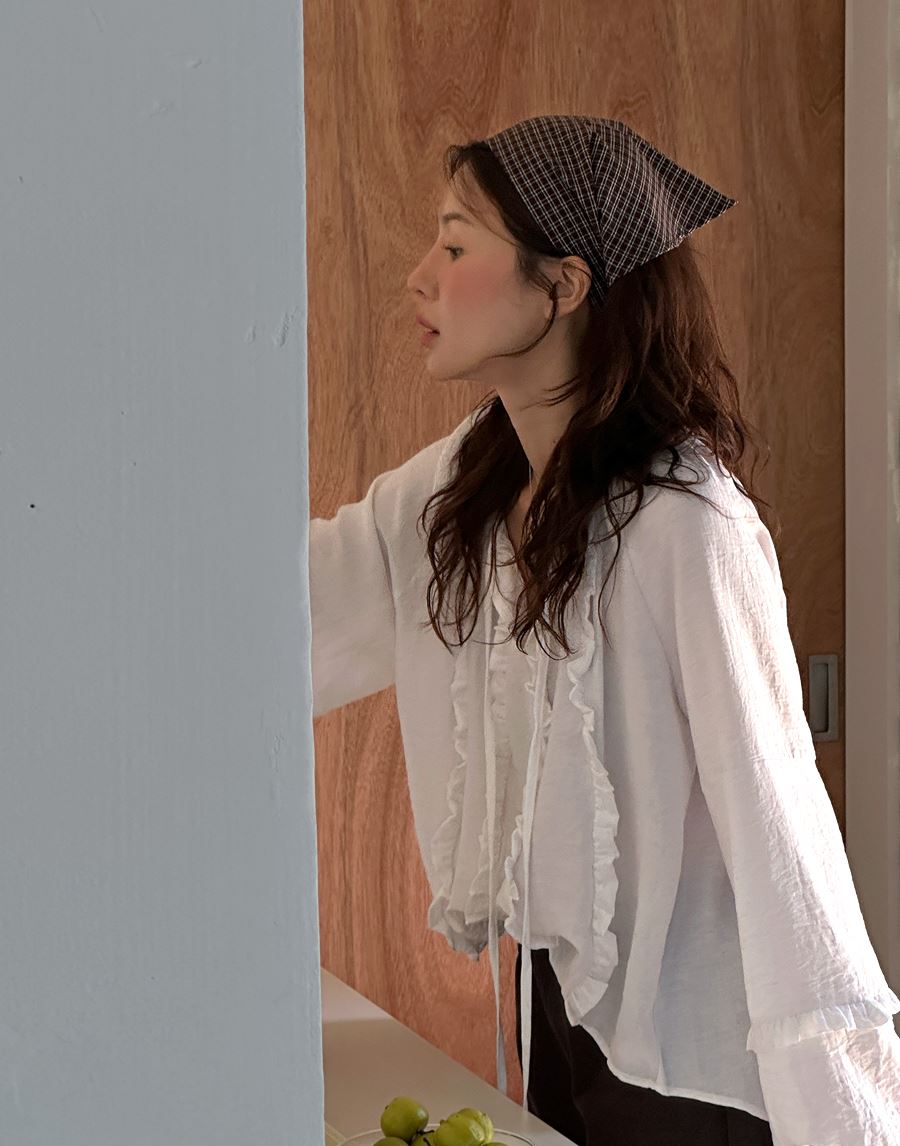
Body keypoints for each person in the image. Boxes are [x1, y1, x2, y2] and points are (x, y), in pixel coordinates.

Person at [310, 115, 900, 1145]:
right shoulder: (472, 481)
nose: (420, 277)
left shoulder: (688, 527)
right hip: (566, 1009)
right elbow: (300, 603)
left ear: (565, 284)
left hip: (695, 1050)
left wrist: (844, 1113)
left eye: (456, 244)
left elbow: (779, 828)